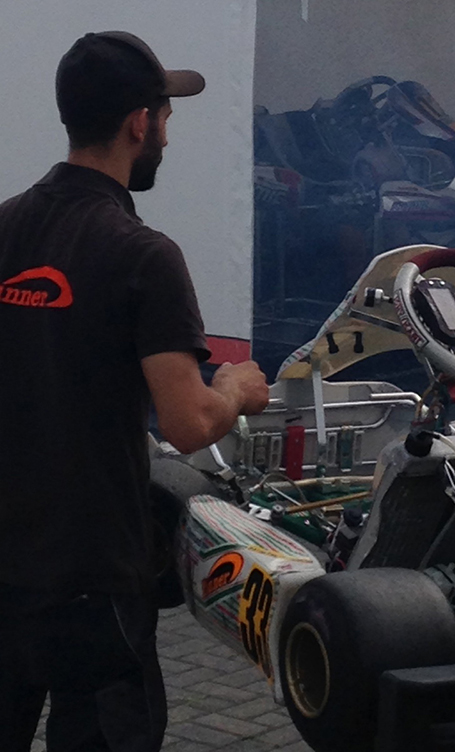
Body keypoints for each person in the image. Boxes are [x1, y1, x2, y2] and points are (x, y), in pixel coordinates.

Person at [0, 31, 271, 752]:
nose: (168, 138)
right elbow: (188, 424)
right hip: (92, 577)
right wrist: (233, 388)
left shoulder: (4, 226)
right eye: (166, 119)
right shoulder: (143, 255)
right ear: (139, 124)